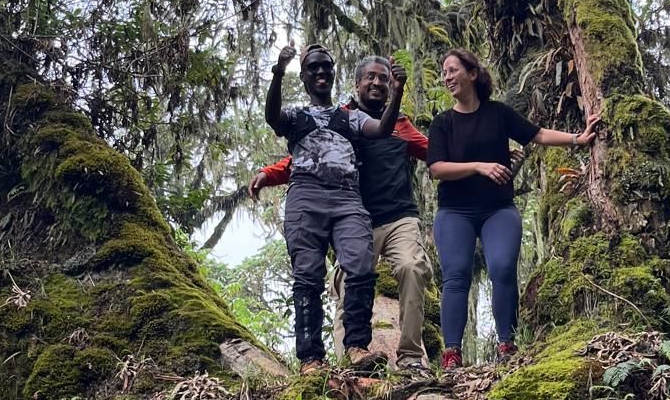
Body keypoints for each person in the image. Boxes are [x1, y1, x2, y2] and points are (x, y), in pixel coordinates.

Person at [250, 55, 432, 371]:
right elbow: (300, 150)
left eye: (383, 79)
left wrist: (486, 159)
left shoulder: (370, 122)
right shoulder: (321, 115)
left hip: (364, 206)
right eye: (370, 78)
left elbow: (429, 149)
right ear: (356, 83)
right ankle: (314, 359)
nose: (377, 84)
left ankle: (377, 352)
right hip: (317, 200)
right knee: (313, 276)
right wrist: (269, 173)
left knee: (376, 270)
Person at [427, 48, 598, 370]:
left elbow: (539, 134)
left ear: (473, 73)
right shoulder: (443, 123)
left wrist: (579, 138)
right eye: (444, 72)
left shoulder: (498, 114)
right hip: (455, 213)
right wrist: (479, 166)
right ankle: (451, 354)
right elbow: (436, 168)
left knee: (503, 267)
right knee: (456, 276)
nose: (447, 77)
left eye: (453, 70)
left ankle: (507, 344)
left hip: (498, 209)